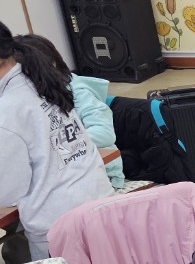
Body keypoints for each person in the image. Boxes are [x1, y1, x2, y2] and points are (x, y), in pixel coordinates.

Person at [0, 22, 113, 260]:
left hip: (61, 227)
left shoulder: (7, 111)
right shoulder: (40, 79)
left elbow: (8, 192)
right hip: (101, 205)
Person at [14, 34, 124, 189]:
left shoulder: (78, 92)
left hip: (102, 172)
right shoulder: (31, 96)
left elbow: (104, 133)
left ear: (49, 66)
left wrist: (55, 148)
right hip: (60, 171)